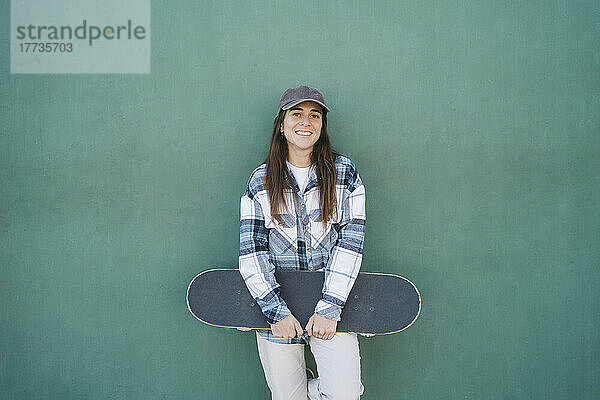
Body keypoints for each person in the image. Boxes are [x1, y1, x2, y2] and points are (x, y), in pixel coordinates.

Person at [239, 85, 366, 400]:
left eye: (315, 115)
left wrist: (331, 307)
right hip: (279, 313)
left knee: (345, 394)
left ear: (322, 126)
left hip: (330, 308)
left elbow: (351, 242)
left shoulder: (344, 173)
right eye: (297, 114)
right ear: (282, 125)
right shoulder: (260, 180)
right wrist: (275, 312)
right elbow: (252, 251)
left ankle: (314, 387)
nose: (305, 122)